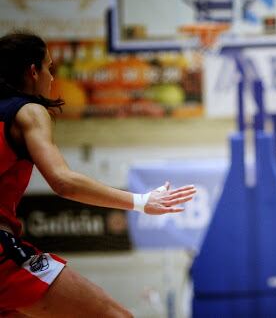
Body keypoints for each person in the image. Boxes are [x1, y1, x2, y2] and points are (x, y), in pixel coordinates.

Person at [0, 32, 197, 317]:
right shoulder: (29, 111)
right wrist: (141, 201)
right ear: (33, 71)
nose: (53, 78)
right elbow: (63, 182)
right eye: (49, 67)